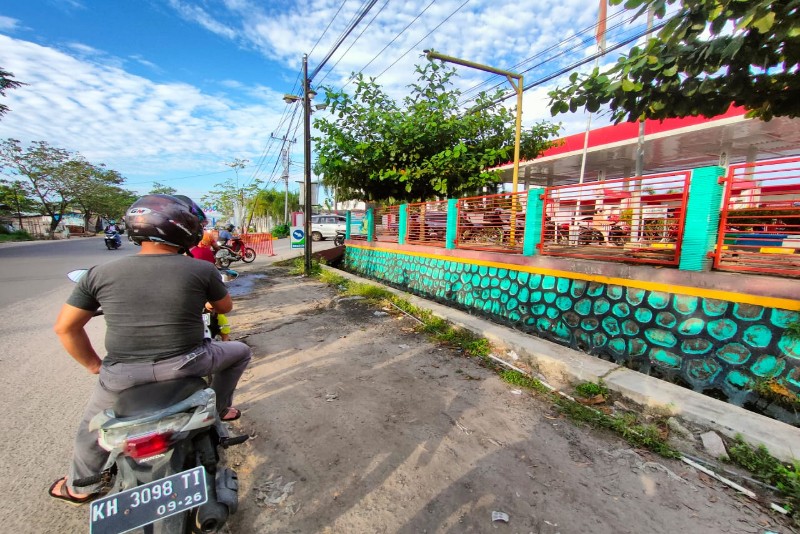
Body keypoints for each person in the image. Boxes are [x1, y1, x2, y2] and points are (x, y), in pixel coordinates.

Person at [49, 194, 252, 505]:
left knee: (94, 427)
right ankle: (221, 408)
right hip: (189, 363)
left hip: (122, 375)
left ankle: (80, 486)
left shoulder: (98, 273)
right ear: (183, 230)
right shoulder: (199, 269)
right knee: (239, 352)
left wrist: (95, 366)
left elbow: (65, 328)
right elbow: (225, 306)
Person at [190, 233, 232, 341]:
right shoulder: (207, 252)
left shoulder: (189, 253)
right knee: (220, 316)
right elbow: (225, 307)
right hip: (206, 290)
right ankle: (225, 340)